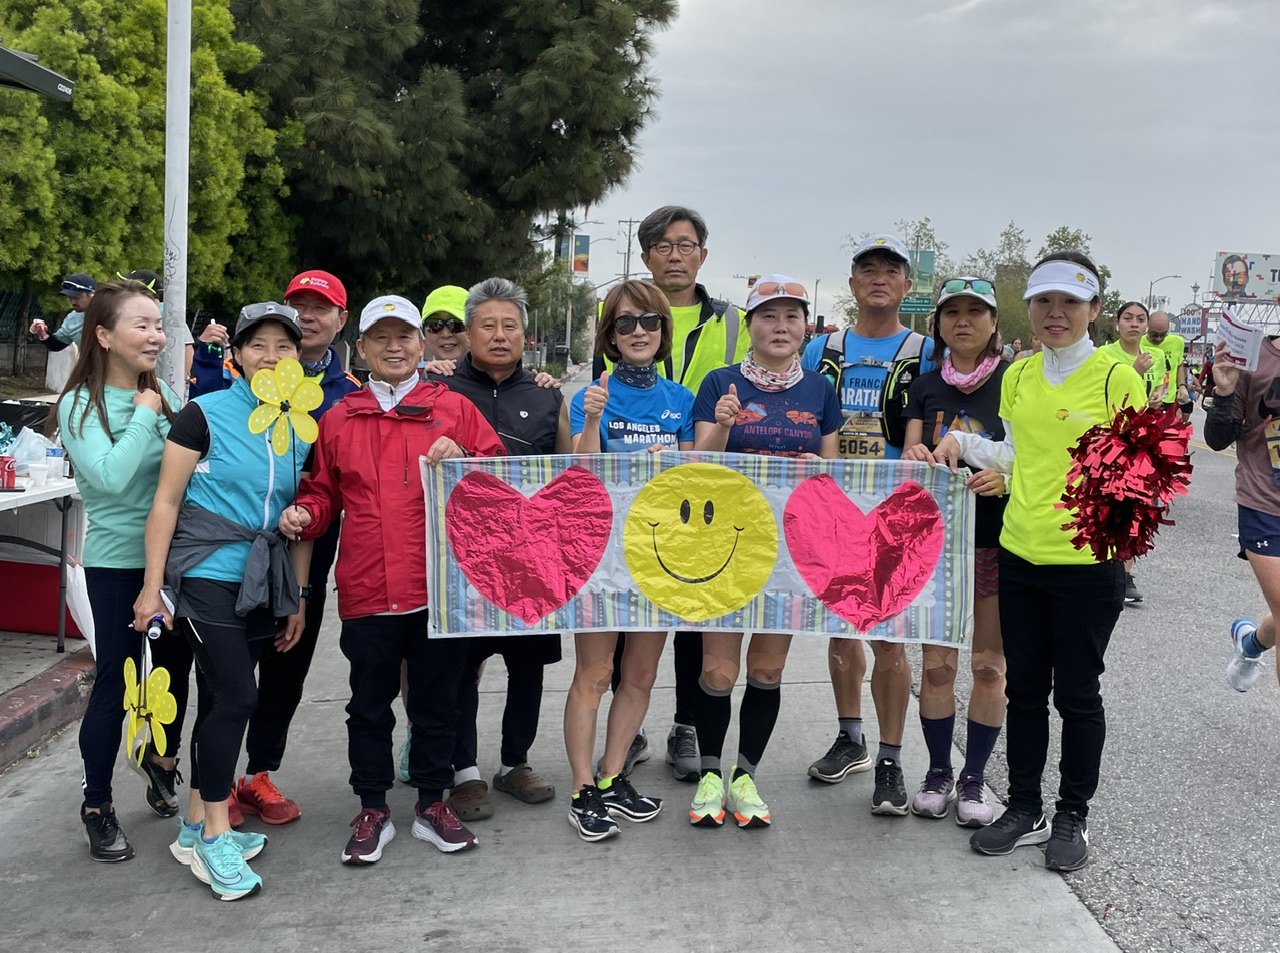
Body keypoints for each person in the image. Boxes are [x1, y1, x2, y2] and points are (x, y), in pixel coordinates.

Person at [923, 251, 1144, 872]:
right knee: (1023, 690)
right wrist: (966, 444)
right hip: (1019, 553)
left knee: (1076, 694)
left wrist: (1117, 542)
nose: (1055, 313)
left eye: (1070, 302)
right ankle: (1025, 807)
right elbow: (1017, 454)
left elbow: (1140, 474)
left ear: (1094, 310)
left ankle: (1072, 814)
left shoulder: (1116, 377)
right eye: (1044, 300)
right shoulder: (1019, 374)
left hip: (1086, 562)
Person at [278, 295, 505, 867]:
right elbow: (322, 492)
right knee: (368, 707)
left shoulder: (455, 410)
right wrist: (305, 512)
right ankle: (372, 808)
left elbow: (500, 478)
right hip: (367, 588)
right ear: (361, 347)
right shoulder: (339, 417)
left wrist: (466, 455)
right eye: (380, 337)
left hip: (437, 589)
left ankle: (432, 803)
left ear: (421, 344)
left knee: (437, 705)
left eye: (404, 335)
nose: (394, 347)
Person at [134, 301, 313, 900]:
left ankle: (192, 825)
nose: (271, 356)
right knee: (239, 697)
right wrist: (152, 588)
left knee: (217, 699)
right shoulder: (203, 414)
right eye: (257, 344)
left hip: (261, 579)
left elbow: (302, 515)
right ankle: (215, 836)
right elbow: (165, 502)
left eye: (283, 346)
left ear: (299, 357)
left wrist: (296, 594)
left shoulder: (300, 424)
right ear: (235, 354)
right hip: (204, 574)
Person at [190, 270, 359, 825]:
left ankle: (258, 773)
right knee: (225, 680)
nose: (308, 317)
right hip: (228, 560)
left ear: (340, 319)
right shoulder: (230, 393)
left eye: (320, 308)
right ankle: (212, 790)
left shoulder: (349, 395)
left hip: (303, 557)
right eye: (298, 306)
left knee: (286, 670)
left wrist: (303, 590)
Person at [594, 206, 750, 783]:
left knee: (690, 611)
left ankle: (685, 723)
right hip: (635, 492)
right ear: (647, 256)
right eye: (663, 245)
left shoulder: (732, 321)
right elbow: (602, 397)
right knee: (629, 615)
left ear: (703, 255)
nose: (675, 255)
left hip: (704, 476)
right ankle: (627, 728)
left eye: (686, 245)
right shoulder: (622, 309)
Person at [688, 276, 842, 828]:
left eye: (791, 317)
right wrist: (722, 427)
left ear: (806, 327)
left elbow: (831, 476)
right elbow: (697, 465)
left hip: (790, 551)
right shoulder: (719, 382)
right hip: (725, 546)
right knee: (718, 670)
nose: (780, 327)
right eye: (768, 317)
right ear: (750, 325)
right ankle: (710, 775)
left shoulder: (821, 390)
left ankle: (745, 777)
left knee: (768, 669)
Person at [53, 280, 193, 861]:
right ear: (105, 335)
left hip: (178, 561)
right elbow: (109, 479)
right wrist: (143, 417)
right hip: (117, 566)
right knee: (116, 680)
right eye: (142, 325)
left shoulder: (163, 392)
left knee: (176, 672)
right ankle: (97, 805)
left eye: (158, 325)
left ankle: (161, 761)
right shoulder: (79, 405)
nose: (156, 335)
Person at [425, 277, 571, 823]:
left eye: (510, 325)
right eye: (487, 325)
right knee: (461, 667)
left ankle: (515, 763)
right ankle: (464, 772)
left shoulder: (547, 394)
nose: (500, 334)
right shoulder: (438, 390)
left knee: (527, 666)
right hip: (463, 558)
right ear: (468, 333)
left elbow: (568, 475)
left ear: (526, 335)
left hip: (532, 559)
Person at [800, 233, 934, 816]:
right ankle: (850, 736)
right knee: (842, 630)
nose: (880, 278)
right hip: (833, 508)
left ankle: (890, 758)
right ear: (852, 283)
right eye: (868, 269)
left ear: (907, 284)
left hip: (896, 512)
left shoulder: (925, 350)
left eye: (891, 270)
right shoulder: (821, 349)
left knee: (889, 637)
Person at [562, 279, 693, 841]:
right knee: (594, 674)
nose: (639, 332)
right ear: (610, 337)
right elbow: (579, 474)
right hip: (600, 555)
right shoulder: (590, 395)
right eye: (625, 323)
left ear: (663, 331)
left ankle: (613, 776)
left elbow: (697, 478)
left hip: (659, 556)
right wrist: (592, 421)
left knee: (640, 675)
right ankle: (582, 788)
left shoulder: (682, 400)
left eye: (649, 321)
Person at [901, 277, 1008, 828]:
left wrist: (1005, 476)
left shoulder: (1016, 381)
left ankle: (974, 779)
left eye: (975, 311)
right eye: (952, 313)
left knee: (988, 667)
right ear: (938, 324)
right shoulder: (924, 386)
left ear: (994, 322)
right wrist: (916, 455)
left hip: (996, 540)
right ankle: (938, 772)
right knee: (938, 668)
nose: (962, 321)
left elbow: (1034, 454)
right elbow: (909, 454)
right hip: (937, 546)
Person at [1204, 338, 1280, 693]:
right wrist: (1224, 392)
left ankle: (1251, 644)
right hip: (1265, 502)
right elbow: (1217, 439)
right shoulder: (1253, 356)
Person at [1101, 301, 1171, 605]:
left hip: (1143, 438)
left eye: (1140, 319)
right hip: (1111, 438)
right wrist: (1133, 372)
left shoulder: (1155, 355)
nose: (1134, 324)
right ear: (1117, 323)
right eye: (1128, 318)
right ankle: (1105, 565)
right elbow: (1103, 394)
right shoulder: (1104, 355)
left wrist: (1155, 400)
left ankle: (1126, 573)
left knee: (1136, 505)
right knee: (1108, 505)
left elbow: (1158, 391)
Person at [120, 269, 195, 381]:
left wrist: (179, 382)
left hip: (165, 383)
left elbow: (188, 348)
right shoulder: (138, 313)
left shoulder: (167, 312)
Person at [1144, 311, 1191, 422]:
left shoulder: (1177, 342)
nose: (1159, 338)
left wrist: (1182, 386)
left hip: (1168, 400)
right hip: (1146, 401)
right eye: (1154, 334)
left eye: (1163, 335)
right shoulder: (1138, 342)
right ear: (1147, 327)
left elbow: (1179, 365)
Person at [31, 272, 96, 351]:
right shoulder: (72, 319)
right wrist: (42, 332)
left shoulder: (108, 313)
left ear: (92, 294)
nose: (73, 302)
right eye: (70, 298)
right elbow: (56, 345)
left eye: (76, 297)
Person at [421, 285, 470, 362]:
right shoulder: (412, 369)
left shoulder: (490, 369)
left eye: (456, 325)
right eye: (434, 325)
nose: (445, 334)